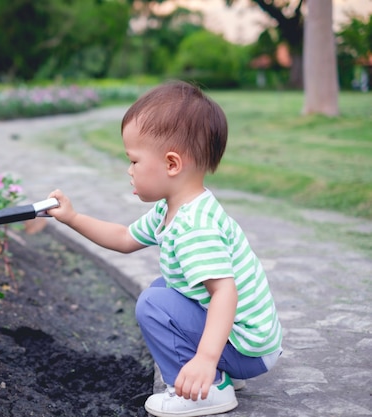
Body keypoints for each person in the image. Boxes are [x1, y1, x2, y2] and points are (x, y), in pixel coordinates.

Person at [47, 80, 282, 417]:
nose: (129, 170)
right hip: (248, 343)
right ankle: (217, 373)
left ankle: (205, 390)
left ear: (172, 164)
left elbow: (225, 293)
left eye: (134, 161)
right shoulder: (173, 208)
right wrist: (72, 218)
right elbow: (126, 238)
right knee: (164, 290)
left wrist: (204, 359)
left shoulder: (193, 227)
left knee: (154, 305)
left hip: (248, 349)